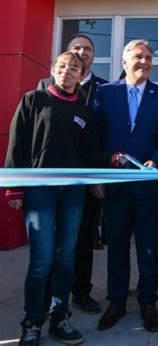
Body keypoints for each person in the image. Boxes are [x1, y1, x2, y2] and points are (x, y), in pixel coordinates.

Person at [5, 52, 111, 345]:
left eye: (74, 68)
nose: (67, 71)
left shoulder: (83, 110)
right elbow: (18, 144)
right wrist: (14, 187)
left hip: (73, 192)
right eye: (62, 66)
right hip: (40, 191)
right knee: (41, 260)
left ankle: (59, 318)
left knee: (66, 257)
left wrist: (112, 160)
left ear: (82, 75)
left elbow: (89, 152)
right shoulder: (33, 100)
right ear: (53, 70)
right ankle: (31, 322)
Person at [92, 39, 158, 333]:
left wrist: (156, 160)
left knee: (149, 247)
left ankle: (147, 302)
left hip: (149, 185)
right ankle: (116, 301)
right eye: (138, 57)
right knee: (116, 245)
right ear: (124, 62)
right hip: (115, 185)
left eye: (149, 58)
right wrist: (100, 174)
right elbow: (96, 137)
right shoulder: (104, 93)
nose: (144, 62)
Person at [37, 33, 108, 315]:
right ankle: (48, 296)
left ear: (93, 57)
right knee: (49, 241)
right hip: (49, 178)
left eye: (87, 49)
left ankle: (80, 291)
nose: (82, 52)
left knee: (83, 236)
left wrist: (99, 176)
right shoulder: (44, 86)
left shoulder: (104, 88)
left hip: (86, 176)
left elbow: (101, 135)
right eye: (76, 47)